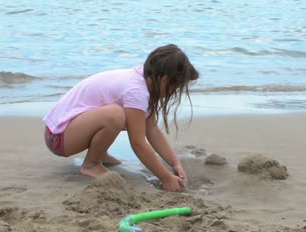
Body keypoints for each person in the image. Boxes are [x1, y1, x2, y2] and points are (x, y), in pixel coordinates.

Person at [43, 44, 199, 192]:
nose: (174, 92)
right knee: (115, 115)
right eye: (175, 88)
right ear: (165, 80)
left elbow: (151, 130)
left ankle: (99, 154)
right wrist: (166, 179)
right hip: (58, 138)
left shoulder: (145, 80)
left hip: (66, 131)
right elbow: (138, 143)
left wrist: (174, 163)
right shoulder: (136, 91)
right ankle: (91, 164)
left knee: (117, 114)